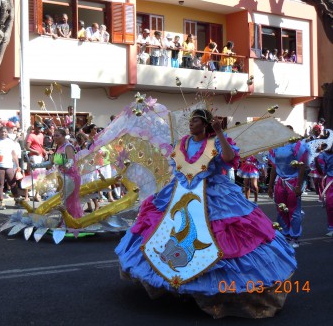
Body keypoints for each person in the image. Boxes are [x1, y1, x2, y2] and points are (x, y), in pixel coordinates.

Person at [115, 109, 297, 318]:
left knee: (220, 237)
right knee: (167, 232)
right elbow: (177, 167)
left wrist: (219, 133)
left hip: (213, 195)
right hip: (181, 192)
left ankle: (210, 291)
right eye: (190, 121)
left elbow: (230, 157)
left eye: (195, 121)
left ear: (204, 124)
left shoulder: (216, 141)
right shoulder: (183, 143)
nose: (191, 124)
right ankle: (177, 281)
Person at [268, 129, 308, 248]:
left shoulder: (297, 146)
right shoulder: (276, 147)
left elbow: (302, 167)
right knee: (281, 210)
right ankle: (285, 235)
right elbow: (274, 168)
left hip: (293, 182)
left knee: (294, 211)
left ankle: (295, 237)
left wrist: (299, 186)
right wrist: (270, 186)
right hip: (280, 182)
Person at [33, 128, 84, 219]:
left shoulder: (68, 146)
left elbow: (71, 160)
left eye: (57, 135)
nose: (55, 137)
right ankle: (66, 220)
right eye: (54, 135)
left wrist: (67, 166)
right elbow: (50, 163)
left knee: (70, 200)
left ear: (64, 136)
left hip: (71, 177)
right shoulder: (59, 148)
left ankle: (73, 220)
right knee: (64, 200)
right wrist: (35, 165)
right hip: (63, 177)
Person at [0, 126, 21, 210]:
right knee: (0, 184)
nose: (3, 133)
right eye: (2, 132)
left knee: (12, 183)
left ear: (7, 133)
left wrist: (18, 165)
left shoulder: (10, 142)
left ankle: (17, 199)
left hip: (9, 165)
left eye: (5, 132)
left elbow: (14, 154)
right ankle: (2, 202)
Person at [315, 144, 333, 236]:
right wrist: (316, 161)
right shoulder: (324, 155)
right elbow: (322, 171)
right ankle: (332, 227)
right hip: (330, 180)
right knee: (330, 205)